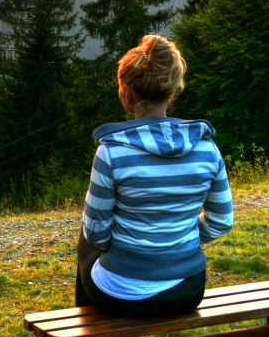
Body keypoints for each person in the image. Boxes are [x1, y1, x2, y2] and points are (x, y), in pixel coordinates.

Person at [75, 34, 232, 318]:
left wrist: (129, 250)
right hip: (188, 290)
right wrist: (177, 241)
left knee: (87, 231)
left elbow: (97, 231)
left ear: (126, 93)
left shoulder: (112, 152)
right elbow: (222, 222)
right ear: (172, 90)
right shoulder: (208, 148)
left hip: (121, 294)